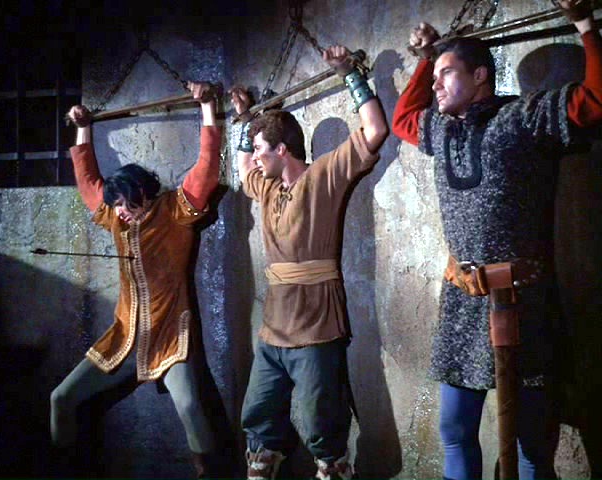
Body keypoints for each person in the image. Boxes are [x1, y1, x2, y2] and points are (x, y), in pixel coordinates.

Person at [391, 0, 602, 478]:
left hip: (522, 300)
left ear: (481, 75)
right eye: (434, 78)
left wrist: (585, 25)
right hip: (463, 298)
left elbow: (593, 101)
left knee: (531, 443)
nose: (435, 85)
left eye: (446, 74)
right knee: (454, 429)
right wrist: (427, 61)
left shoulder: (522, 117)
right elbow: (404, 118)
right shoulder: (440, 129)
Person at [230, 45, 389, 480]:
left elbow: (375, 130)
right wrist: (246, 121)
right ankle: (263, 465)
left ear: (283, 150)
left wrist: (350, 75)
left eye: (261, 149)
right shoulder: (267, 188)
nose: (256, 157)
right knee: (258, 416)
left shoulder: (323, 176)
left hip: (317, 324)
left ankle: (333, 468)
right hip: (273, 329)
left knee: (323, 422)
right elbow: (242, 168)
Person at [50, 81, 223, 478]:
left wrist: (208, 107)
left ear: (145, 194)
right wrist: (83, 127)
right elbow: (89, 182)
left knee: (191, 406)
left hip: (170, 336)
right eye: (116, 206)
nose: (121, 212)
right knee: (60, 398)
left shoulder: (175, 210)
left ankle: (210, 472)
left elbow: (207, 167)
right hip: (125, 336)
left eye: (127, 204)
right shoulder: (116, 217)